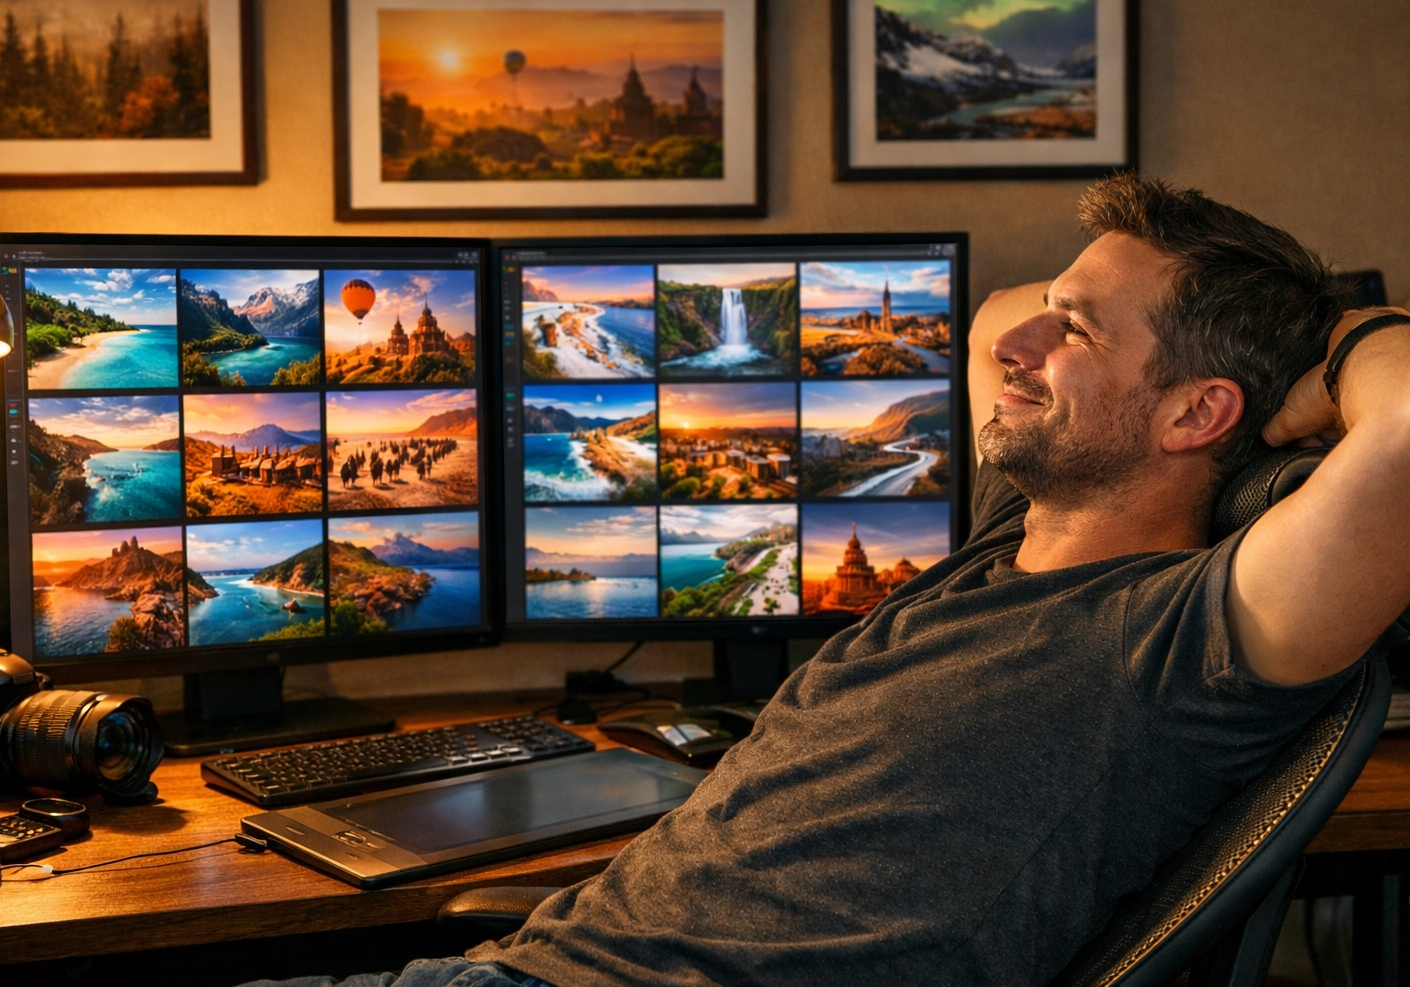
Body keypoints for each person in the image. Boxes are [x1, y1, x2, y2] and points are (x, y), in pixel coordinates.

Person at [249, 175, 1410, 987]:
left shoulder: (1179, 632)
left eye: (1079, 334)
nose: (1020, 348)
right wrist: (1120, 330)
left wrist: (1340, 341)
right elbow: (994, 322)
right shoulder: (1008, 541)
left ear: (1196, 414)